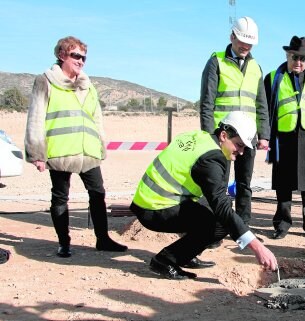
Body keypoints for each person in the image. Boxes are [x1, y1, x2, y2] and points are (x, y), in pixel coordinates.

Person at [129, 111, 278, 280]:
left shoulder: (200, 137)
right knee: (220, 224)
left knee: (208, 214)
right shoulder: (211, 160)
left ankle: (184, 255)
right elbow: (222, 207)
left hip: (148, 201)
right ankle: (165, 260)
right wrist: (257, 246)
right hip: (155, 209)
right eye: (239, 145)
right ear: (223, 135)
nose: (241, 152)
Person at [24, 36, 127, 258]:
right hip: (61, 150)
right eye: (75, 56)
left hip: (88, 151)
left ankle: (103, 239)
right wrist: (37, 154)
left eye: (83, 57)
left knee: (98, 193)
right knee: (60, 197)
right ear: (62, 55)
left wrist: (101, 146)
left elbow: (96, 118)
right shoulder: (45, 81)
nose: (81, 61)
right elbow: (36, 117)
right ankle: (64, 243)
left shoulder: (87, 86)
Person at [199, 16, 270, 234]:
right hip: (224, 136)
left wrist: (264, 134)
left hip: (248, 137)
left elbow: (261, 104)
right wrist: (209, 134)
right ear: (232, 36)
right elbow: (206, 102)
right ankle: (217, 228)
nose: (245, 47)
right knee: (218, 184)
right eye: (242, 41)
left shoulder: (256, 68)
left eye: (250, 44)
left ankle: (242, 227)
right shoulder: (216, 61)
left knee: (244, 184)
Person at [264, 36, 305, 239]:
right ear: (287, 55)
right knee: (283, 185)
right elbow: (266, 107)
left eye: (303, 58)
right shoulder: (273, 77)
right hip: (283, 137)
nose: (298, 62)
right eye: (295, 57)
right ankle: (282, 224)